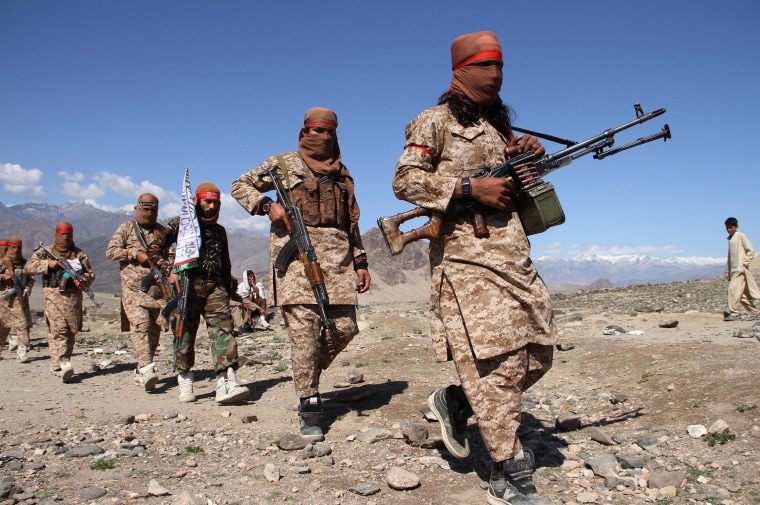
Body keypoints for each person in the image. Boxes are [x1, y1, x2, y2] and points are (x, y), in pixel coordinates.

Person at [391, 31, 556, 505]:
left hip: (514, 255)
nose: (496, 74)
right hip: (465, 258)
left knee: (540, 351)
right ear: (459, 71)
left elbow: (516, 188)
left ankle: (457, 401)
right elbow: (405, 180)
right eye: (485, 65)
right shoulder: (433, 122)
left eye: (501, 65)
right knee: (497, 362)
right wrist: (467, 189)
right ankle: (508, 472)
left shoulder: (498, 128)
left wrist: (528, 158)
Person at [231, 107, 371, 441]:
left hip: (337, 263)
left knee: (346, 327)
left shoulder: (342, 173)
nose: (321, 137)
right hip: (294, 263)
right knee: (304, 334)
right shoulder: (281, 164)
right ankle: (309, 403)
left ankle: (305, 372)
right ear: (303, 132)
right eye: (315, 130)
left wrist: (361, 261)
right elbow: (240, 185)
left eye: (329, 131)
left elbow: (350, 221)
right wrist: (267, 206)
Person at [146, 183, 249, 405]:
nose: (212, 206)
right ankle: (184, 378)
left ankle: (226, 381)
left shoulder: (219, 231)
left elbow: (225, 263)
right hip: (187, 287)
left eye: (216, 202)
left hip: (215, 289)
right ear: (197, 201)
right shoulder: (179, 225)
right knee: (184, 333)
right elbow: (153, 250)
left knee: (224, 331)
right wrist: (169, 270)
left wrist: (228, 287)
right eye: (207, 201)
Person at [106, 194, 173, 391]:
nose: (149, 213)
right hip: (133, 289)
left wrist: (163, 268)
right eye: (145, 209)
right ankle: (146, 368)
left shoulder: (162, 232)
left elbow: (171, 255)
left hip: (157, 291)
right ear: (137, 208)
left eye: (153, 210)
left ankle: (141, 367)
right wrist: (133, 254)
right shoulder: (126, 229)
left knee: (154, 330)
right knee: (141, 325)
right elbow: (111, 251)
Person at [25, 222, 96, 382]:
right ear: (56, 235)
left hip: (73, 298)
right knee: (58, 330)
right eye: (62, 234)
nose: (65, 238)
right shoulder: (47, 252)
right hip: (53, 295)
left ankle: (61, 362)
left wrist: (83, 280)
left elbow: (90, 273)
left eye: (68, 235)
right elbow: (28, 267)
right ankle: (61, 364)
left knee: (71, 330)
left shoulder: (79, 254)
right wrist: (47, 265)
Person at [0, 237, 35, 362]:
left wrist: (27, 288)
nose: (16, 251)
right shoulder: (2, 263)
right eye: (13, 247)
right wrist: (3, 277)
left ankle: (22, 351)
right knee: (3, 326)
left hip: (19, 299)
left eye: (18, 248)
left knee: (22, 324)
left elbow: (31, 278)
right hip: (3, 300)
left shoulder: (25, 264)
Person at [724, 217, 760, 321]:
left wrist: (743, 263)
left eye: (731, 227)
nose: (729, 229)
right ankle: (754, 310)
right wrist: (728, 271)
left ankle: (734, 313)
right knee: (739, 292)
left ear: (736, 227)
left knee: (732, 290)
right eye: (727, 228)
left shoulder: (741, 236)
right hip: (734, 270)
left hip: (740, 269)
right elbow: (730, 257)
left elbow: (750, 251)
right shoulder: (731, 238)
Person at [230, 269, 269, 333]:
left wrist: (258, 308)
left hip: (252, 303)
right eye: (250, 276)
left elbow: (260, 295)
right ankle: (244, 326)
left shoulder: (258, 284)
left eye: (253, 276)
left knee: (261, 300)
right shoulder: (241, 287)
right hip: (234, 306)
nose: (252, 278)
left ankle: (262, 319)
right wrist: (241, 304)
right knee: (237, 308)